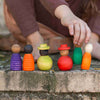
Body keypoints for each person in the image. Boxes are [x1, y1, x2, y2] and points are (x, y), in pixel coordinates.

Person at [4, 0, 100, 61]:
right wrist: (66, 14)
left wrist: (92, 36)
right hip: (34, 24)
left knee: (89, 41)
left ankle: (90, 41)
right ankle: (34, 39)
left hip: (79, 26)